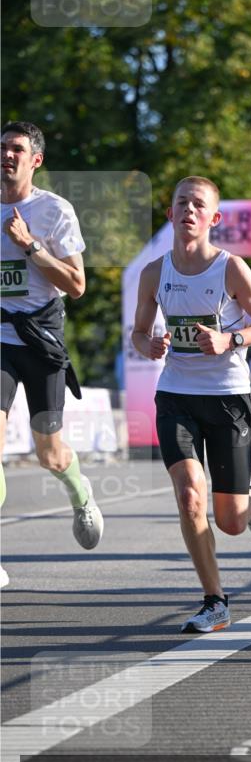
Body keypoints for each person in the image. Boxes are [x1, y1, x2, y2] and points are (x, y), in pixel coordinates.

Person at [132, 176, 251, 632]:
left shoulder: (231, 268)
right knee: (189, 495)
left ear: (214, 218)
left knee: (231, 521)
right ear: (171, 214)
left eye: (199, 205)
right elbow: (138, 333)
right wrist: (149, 346)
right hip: (176, 394)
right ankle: (215, 601)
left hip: (227, 397)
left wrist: (230, 339)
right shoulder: (154, 273)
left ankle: (249, 494)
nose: (190, 211)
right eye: (182, 204)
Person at [1, 121, 103, 587]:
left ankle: (80, 493)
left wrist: (31, 247)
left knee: (51, 454)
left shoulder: (54, 211)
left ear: (35, 160)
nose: (7, 155)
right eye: (2, 148)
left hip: (40, 338)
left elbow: (77, 286)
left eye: (17, 149)